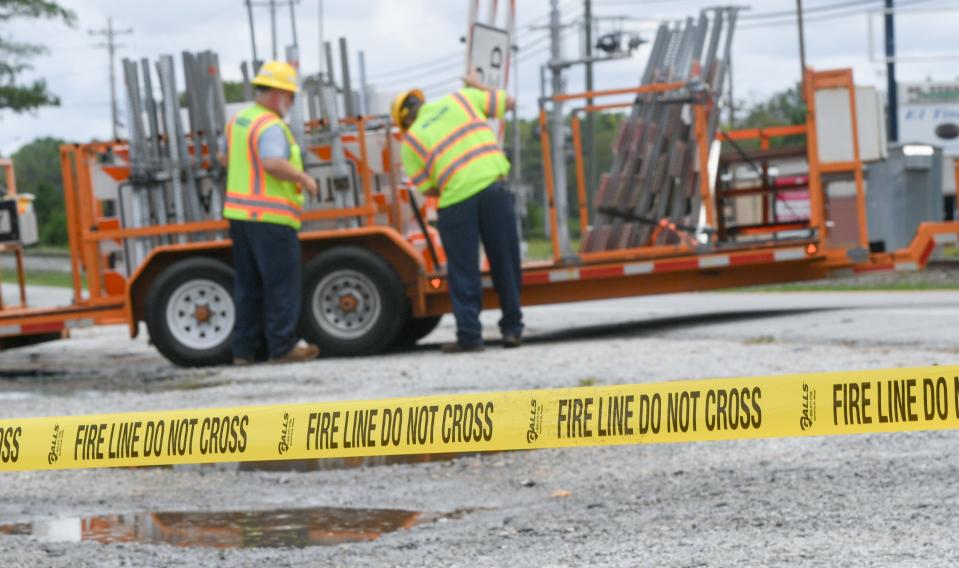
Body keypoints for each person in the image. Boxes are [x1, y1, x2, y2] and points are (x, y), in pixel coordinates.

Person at [393, 75, 524, 353]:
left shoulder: (411, 141)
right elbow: (509, 102)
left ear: (404, 122)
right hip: (493, 188)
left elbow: (428, 188)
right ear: (423, 101)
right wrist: (479, 86)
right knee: (505, 262)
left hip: (456, 201)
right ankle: (512, 329)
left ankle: (470, 337)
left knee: (463, 271)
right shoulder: (462, 98)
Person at [219, 60, 320, 365]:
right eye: (290, 96)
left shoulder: (239, 121)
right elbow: (272, 162)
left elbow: (224, 159)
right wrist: (304, 179)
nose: (290, 103)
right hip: (271, 218)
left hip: (240, 216)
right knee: (281, 284)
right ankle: (282, 347)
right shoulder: (271, 125)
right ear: (277, 94)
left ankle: (244, 351)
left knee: (248, 286)